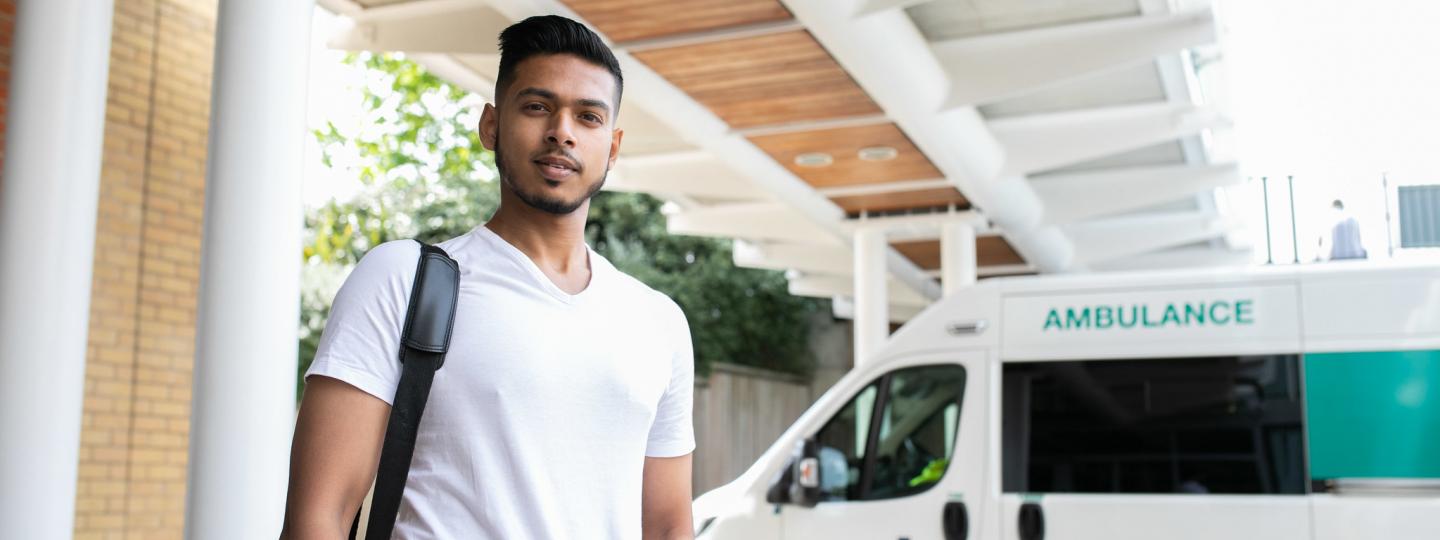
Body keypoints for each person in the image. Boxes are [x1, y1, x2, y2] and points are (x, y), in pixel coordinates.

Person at [280, 15, 696, 539]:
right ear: (491, 126)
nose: (561, 132)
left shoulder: (658, 323)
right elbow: (320, 515)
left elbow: (667, 527)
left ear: (611, 149)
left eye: (587, 117)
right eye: (538, 106)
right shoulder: (404, 280)